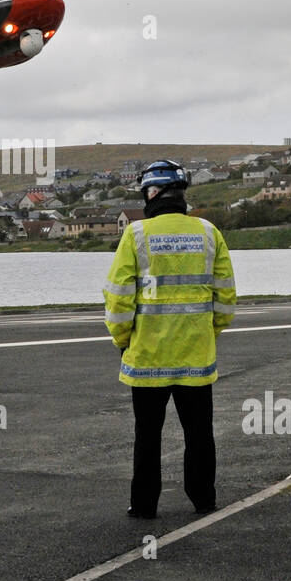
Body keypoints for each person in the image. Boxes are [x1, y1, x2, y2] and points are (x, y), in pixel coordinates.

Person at [102, 159, 237, 519]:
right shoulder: (209, 233)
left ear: (151, 192)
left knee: (147, 437)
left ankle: (144, 505)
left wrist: (122, 338)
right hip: (196, 357)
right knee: (199, 435)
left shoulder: (136, 235)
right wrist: (211, 331)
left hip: (147, 359)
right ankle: (203, 499)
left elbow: (118, 297)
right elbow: (225, 295)